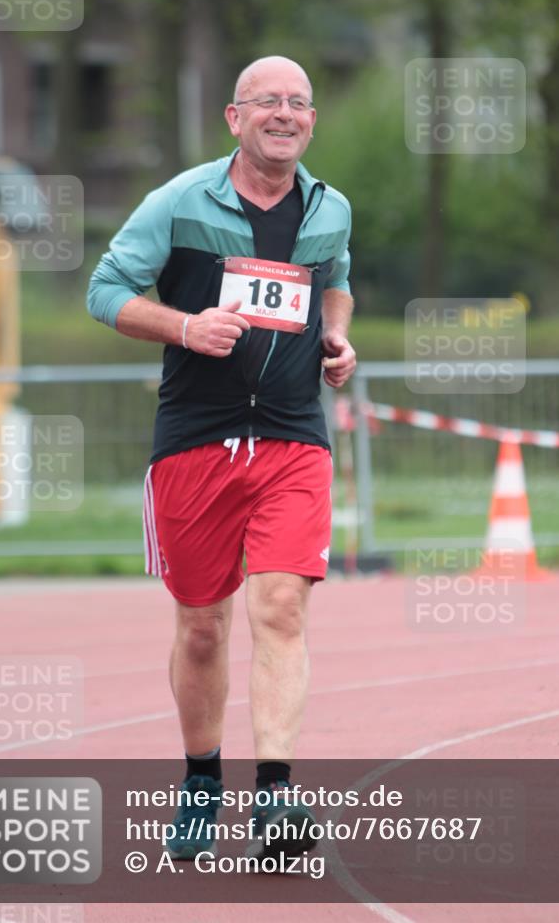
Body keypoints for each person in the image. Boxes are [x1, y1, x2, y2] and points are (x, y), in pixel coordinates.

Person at [86, 55, 356, 860]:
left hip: (293, 435)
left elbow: (336, 280)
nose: (284, 113)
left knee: (280, 606)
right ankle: (202, 781)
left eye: (298, 102)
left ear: (312, 121)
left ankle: (275, 794)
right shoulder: (178, 201)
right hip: (196, 438)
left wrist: (337, 336)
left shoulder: (330, 207)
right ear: (234, 118)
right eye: (266, 101)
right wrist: (183, 326)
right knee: (202, 626)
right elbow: (105, 290)